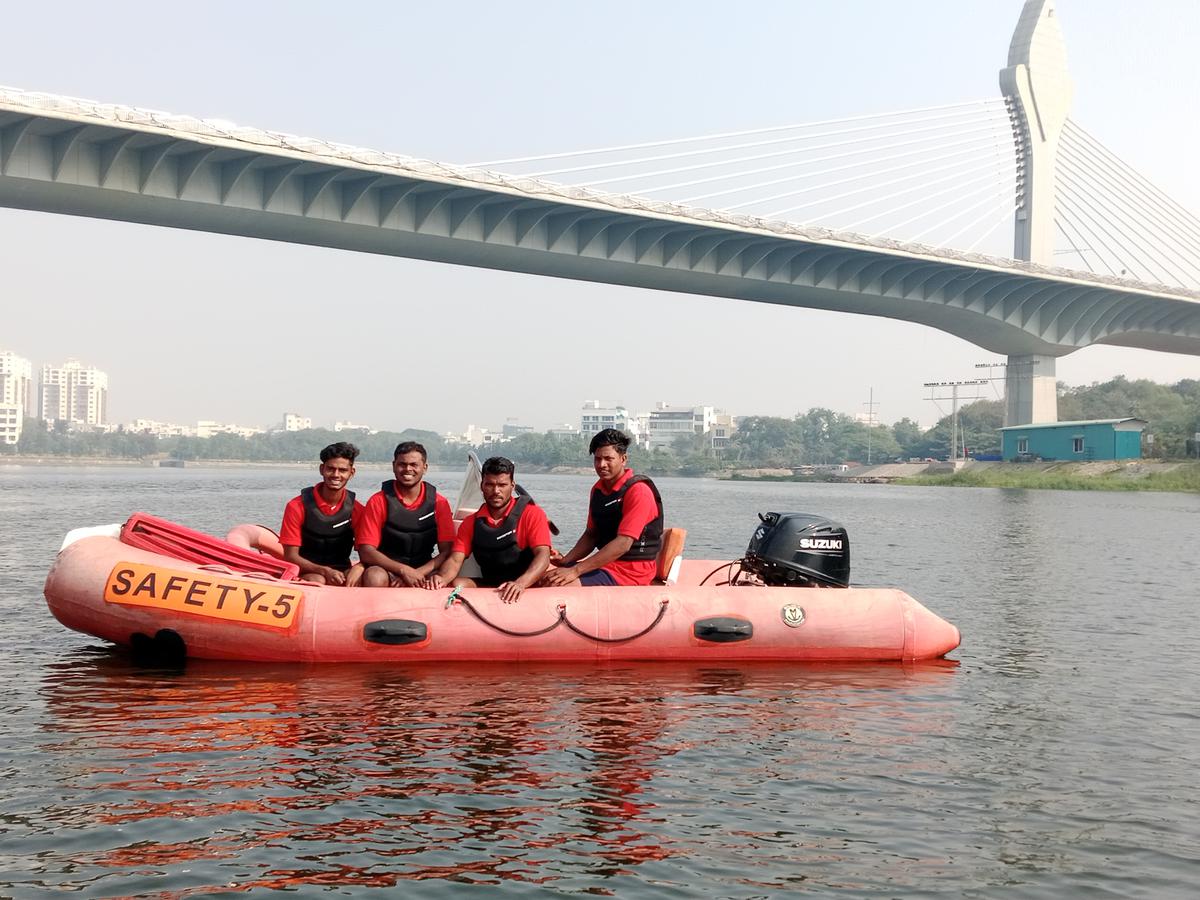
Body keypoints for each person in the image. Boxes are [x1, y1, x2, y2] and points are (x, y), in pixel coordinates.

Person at [541, 428, 664, 587]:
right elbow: (591, 535)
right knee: (542, 579)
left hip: (632, 571)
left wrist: (575, 570)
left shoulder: (638, 492)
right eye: (597, 459)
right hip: (608, 565)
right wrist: (566, 560)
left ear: (623, 459)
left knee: (556, 585)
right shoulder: (598, 490)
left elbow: (624, 543)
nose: (601, 465)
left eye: (608, 458)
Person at [425, 456, 552, 602]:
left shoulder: (532, 514)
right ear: (482, 486)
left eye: (502, 485)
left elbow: (543, 555)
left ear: (512, 485)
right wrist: (441, 578)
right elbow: (455, 560)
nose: (496, 491)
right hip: (491, 585)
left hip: (527, 584)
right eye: (490, 485)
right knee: (457, 583)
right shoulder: (471, 523)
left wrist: (520, 583)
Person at [357, 441, 455, 587]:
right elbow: (366, 551)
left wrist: (418, 573)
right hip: (387, 569)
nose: (407, 469)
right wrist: (403, 570)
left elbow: (447, 551)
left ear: (425, 467)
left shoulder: (439, 503)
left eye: (414, 465)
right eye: (402, 464)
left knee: (441, 579)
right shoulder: (378, 501)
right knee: (374, 576)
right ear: (394, 466)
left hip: (424, 568)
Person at [279, 441, 366, 586]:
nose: (336, 475)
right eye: (330, 469)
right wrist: (324, 571)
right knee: (318, 580)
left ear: (352, 473)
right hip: (306, 571)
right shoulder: (296, 506)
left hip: (341, 570)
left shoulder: (357, 509)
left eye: (342, 470)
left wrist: (360, 566)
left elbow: (367, 551)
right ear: (321, 469)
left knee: (360, 577)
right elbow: (290, 556)